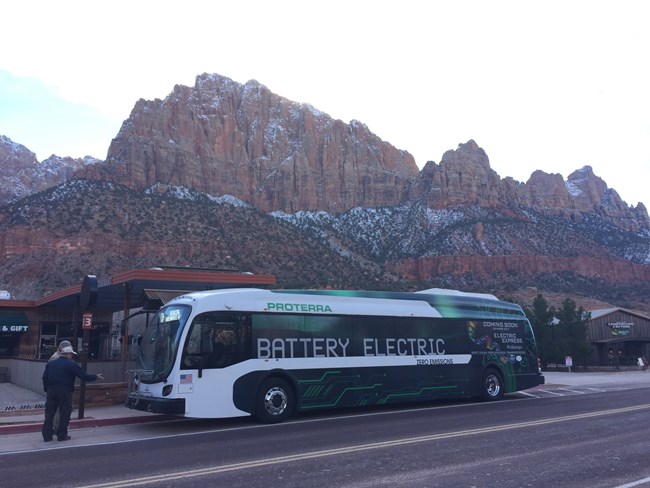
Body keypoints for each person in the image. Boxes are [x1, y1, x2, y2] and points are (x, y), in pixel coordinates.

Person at [42, 345, 104, 442]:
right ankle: (62, 435)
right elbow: (83, 375)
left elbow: (44, 377)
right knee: (65, 413)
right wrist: (95, 377)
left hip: (51, 390)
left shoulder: (51, 364)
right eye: (72, 354)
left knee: (49, 413)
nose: (72, 356)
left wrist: (47, 388)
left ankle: (47, 436)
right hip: (64, 390)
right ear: (69, 354)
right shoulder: (70, 364)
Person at [48, 340, 72, 437]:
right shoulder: (56, 358)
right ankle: (56, 428)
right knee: (58, 410)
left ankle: (55, 428)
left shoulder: (55, 357)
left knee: (56, 409)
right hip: (57, 388)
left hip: (54, 387)